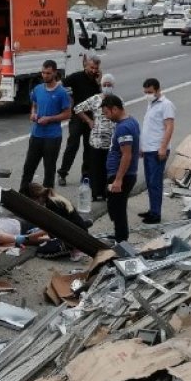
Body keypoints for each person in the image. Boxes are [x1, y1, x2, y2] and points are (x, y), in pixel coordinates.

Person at [20, 60, 73, 194]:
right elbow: (34, 104)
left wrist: (50, 119)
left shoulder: (61, 93)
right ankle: (22, 195)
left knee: (49, 170)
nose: (45, 76)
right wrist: (33, 114)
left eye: (48, 73)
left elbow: (67, 113)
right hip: (36, 135)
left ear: (55, 72)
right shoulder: (38, 89)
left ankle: (48, 199)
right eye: (43, 73)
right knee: (28, 167)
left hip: (52, 137)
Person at [57, 54, 102, 187]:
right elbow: (60, 85)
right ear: (86, 65)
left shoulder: (97, 80)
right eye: (91, 67)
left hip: (92, 117)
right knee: (73, 145)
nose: (93, 71)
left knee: (89, 148)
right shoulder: (76, 77)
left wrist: (98, 82)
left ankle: (86, 175)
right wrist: (68, 99)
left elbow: (101, 96)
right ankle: (62, 173)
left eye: (96, 68)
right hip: (77, 115)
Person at [101, 94, 140, 244]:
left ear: (115, 109)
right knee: (116, 206)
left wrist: (118, 179)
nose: (106, 116)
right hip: (120, 174)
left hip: (122, 175)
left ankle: (121, 240)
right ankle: (119, 234)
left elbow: (126, 155)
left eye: (106, 113)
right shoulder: (130, 121)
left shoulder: (124, 127)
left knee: (117, 208)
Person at [137, 78, 175, 225]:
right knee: (149, 182)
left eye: (150, 92)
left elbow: (169, 127)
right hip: (148, 149)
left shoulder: (166, 105)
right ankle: (152, 210)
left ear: (158, 90)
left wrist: (163, 148)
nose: (147, 95)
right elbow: (149, 127)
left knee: (155, 182)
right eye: (145, 92)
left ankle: (156, 214)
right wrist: (142, 146)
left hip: (157, 150)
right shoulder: (151, 103)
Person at [83, 73, 117, 201]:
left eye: (109, 85)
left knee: (108, 168)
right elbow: (77, 109)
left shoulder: (116, 100)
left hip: (111, 141)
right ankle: (95, 193)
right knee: (95, 168)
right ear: (101, 85)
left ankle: (107, 193)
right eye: (105, 85)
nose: (107, 87)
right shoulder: (95, 99)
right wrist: (88, 121)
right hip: (96, 140)